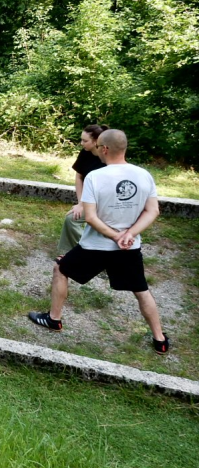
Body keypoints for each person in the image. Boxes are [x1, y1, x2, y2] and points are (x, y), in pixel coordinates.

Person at [28, 129, 169, 354]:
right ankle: (160, 339)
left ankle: (54, 319)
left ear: (104, 149)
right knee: (141, 290)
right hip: (129, 247)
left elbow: (91, 217)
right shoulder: (144, 175)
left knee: (60, 268)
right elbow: (152, 211)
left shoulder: (96, 176)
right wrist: (129, 234)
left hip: (96, 246)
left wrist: (115, 236)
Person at [57, 124, 108, 255]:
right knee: (72, 218)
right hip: (89, 199)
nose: (81, 143)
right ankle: (75, 252)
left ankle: (94, 254)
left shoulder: (108, 158)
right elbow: (79, 177)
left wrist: (85, 205)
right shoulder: (85, 153)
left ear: (96, 141)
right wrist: (81, 203)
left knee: (82, 221)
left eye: (85, 141)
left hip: (105, 200)